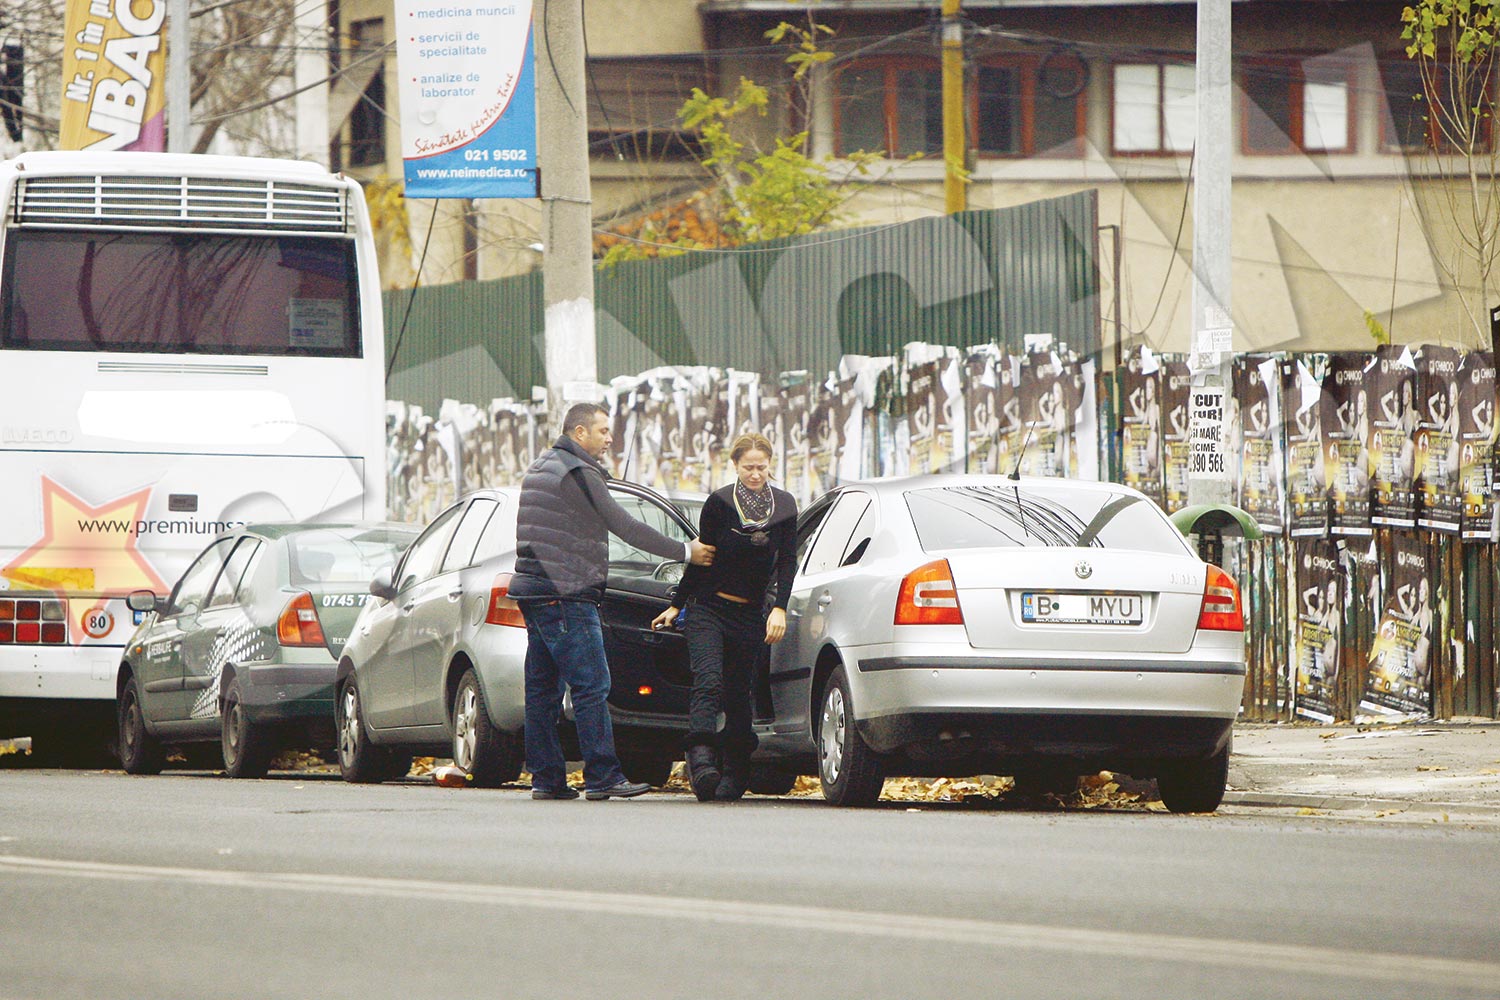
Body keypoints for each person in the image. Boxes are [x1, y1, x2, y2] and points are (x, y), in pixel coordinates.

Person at [510, 402, 716, 801]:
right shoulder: (579, 472)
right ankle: (604, 775)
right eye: (603, 430)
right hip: (567, 593)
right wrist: (685, 552)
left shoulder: (541, 467)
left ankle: (546, 779)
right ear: (579, 433)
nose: (609, 438)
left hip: (535, 591)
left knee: (542, 691)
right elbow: (624, 525)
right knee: (592, 686)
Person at [652, 433, 798, 802]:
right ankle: (700, 758)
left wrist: (779, 606)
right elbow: (703, 557)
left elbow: (786, 562)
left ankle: (736, 770)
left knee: (738, 693)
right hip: (708, 607)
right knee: (709, 679)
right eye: (748, 467)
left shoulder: (784, 506)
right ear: (734, 465)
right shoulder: (718, 503)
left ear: (770, 465)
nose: (755, 474)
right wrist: (676, 604)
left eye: (761, 467)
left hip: (749, 613)